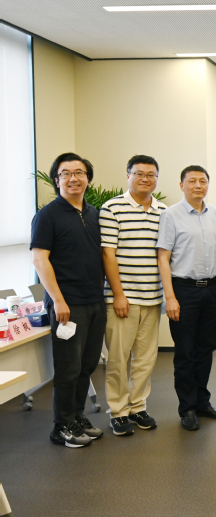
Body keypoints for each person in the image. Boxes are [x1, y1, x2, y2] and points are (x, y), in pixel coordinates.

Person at [31, 153, 106, 448]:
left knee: (87, 366)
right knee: (68, 368)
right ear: (56, 179)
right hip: (67, 304)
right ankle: (61, 426)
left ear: (88, 178)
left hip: (95, 301)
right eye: (66, 173)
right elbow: (40, 260)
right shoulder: (47, 215)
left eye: (79, 173)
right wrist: (58, 300)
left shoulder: (93, 213)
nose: (73, 178)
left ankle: (76, 417)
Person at [156, 165, 216, 431]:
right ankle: (186, 407)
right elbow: (163, 258)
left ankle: (202, 402)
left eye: (202, 181)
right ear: (181, 185)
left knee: (206, 349)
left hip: (212, 289)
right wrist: (170, 297)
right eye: (192, 181)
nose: (198, 185)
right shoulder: (170, 215)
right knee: (185, 352)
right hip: (183, 290)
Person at [100, 155, 166, 436]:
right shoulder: (112, 208)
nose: (145, 179)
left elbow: (164, 256)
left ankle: (138, 406)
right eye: (139, 174)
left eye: (151, 175)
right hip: (122, 299)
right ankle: (118, 411)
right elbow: (108, 254)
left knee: (146, 359)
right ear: (128, 176)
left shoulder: (164, 211)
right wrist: (118, 295)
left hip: (153, 298)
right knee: (118, 359)